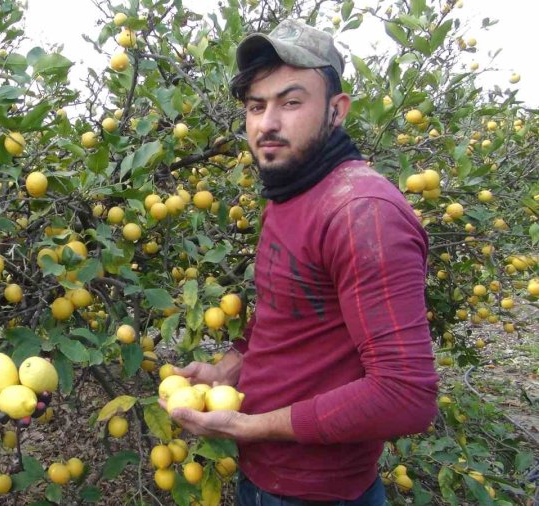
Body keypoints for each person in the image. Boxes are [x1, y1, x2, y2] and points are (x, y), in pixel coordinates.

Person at [164, 20, 440, 504]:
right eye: (256, 106)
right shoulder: (292, 192)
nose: (267, 122)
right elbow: (283, 315)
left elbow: (406, 397)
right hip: (263, 476)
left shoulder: (362, 213)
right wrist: (229, 370)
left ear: (337, 111)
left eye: (291, 102)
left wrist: (253, 427)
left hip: (318, 493)